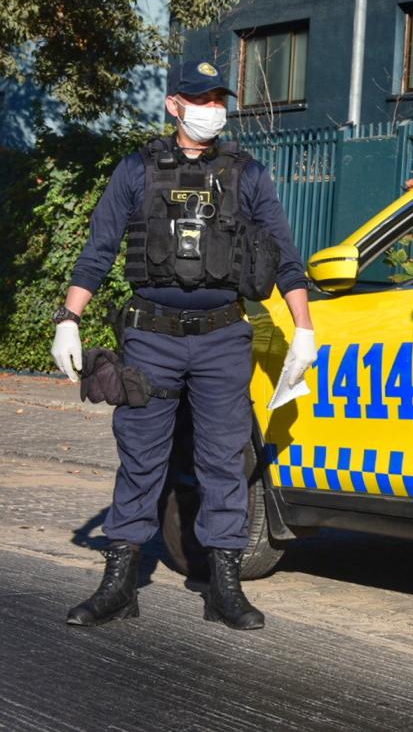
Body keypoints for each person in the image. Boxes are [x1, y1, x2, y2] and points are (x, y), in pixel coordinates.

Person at [50, 59, 317, 631]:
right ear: (174, 105)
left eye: (219, 98)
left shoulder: (248, 175)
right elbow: (99, 249)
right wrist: (68, 318)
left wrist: (305, 331)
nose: (212, 109)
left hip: (223, 337)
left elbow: (285, 257)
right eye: (200, 99)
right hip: (151, 338)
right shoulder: (137, 170)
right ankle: (120, 585)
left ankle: (224, 588)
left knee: (224, 460)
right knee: (141, 459)